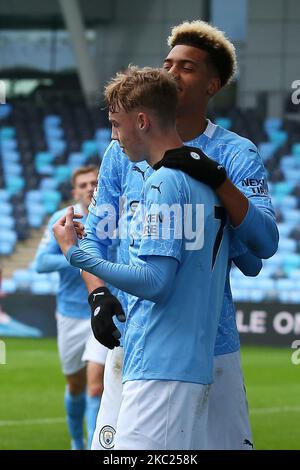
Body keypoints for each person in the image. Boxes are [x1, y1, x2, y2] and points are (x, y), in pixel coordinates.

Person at [81, 21, 278, 450]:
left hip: (210, 339)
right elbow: (94, 233)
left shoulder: (234, 153)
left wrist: (218, 179)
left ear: (214, 84)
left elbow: (263, 245)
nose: (171, 73)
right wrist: (98, 296)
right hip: (132, 334)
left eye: (186, 68)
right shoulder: (122, 149)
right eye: (167, 63)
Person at [54, 66, 232, 449]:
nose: (114, 138)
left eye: (116, 125)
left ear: (142, 120)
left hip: (163, 362)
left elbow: (156, 281)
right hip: (180, 362)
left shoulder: (164, 182)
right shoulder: (200, 178)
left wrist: (76, 253)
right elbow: (249, 258)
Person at [34, 166, 108, 450]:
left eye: (95, 182)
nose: (90, 187)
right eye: (84, 184)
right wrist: (75, 256)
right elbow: (41, 263)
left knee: (96, 386)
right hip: (69, 314)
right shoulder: (62, 219)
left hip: (103, 310)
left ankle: (93, 447)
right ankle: (77, 440)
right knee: (76, 386)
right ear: (75, 191)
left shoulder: (114, 217)